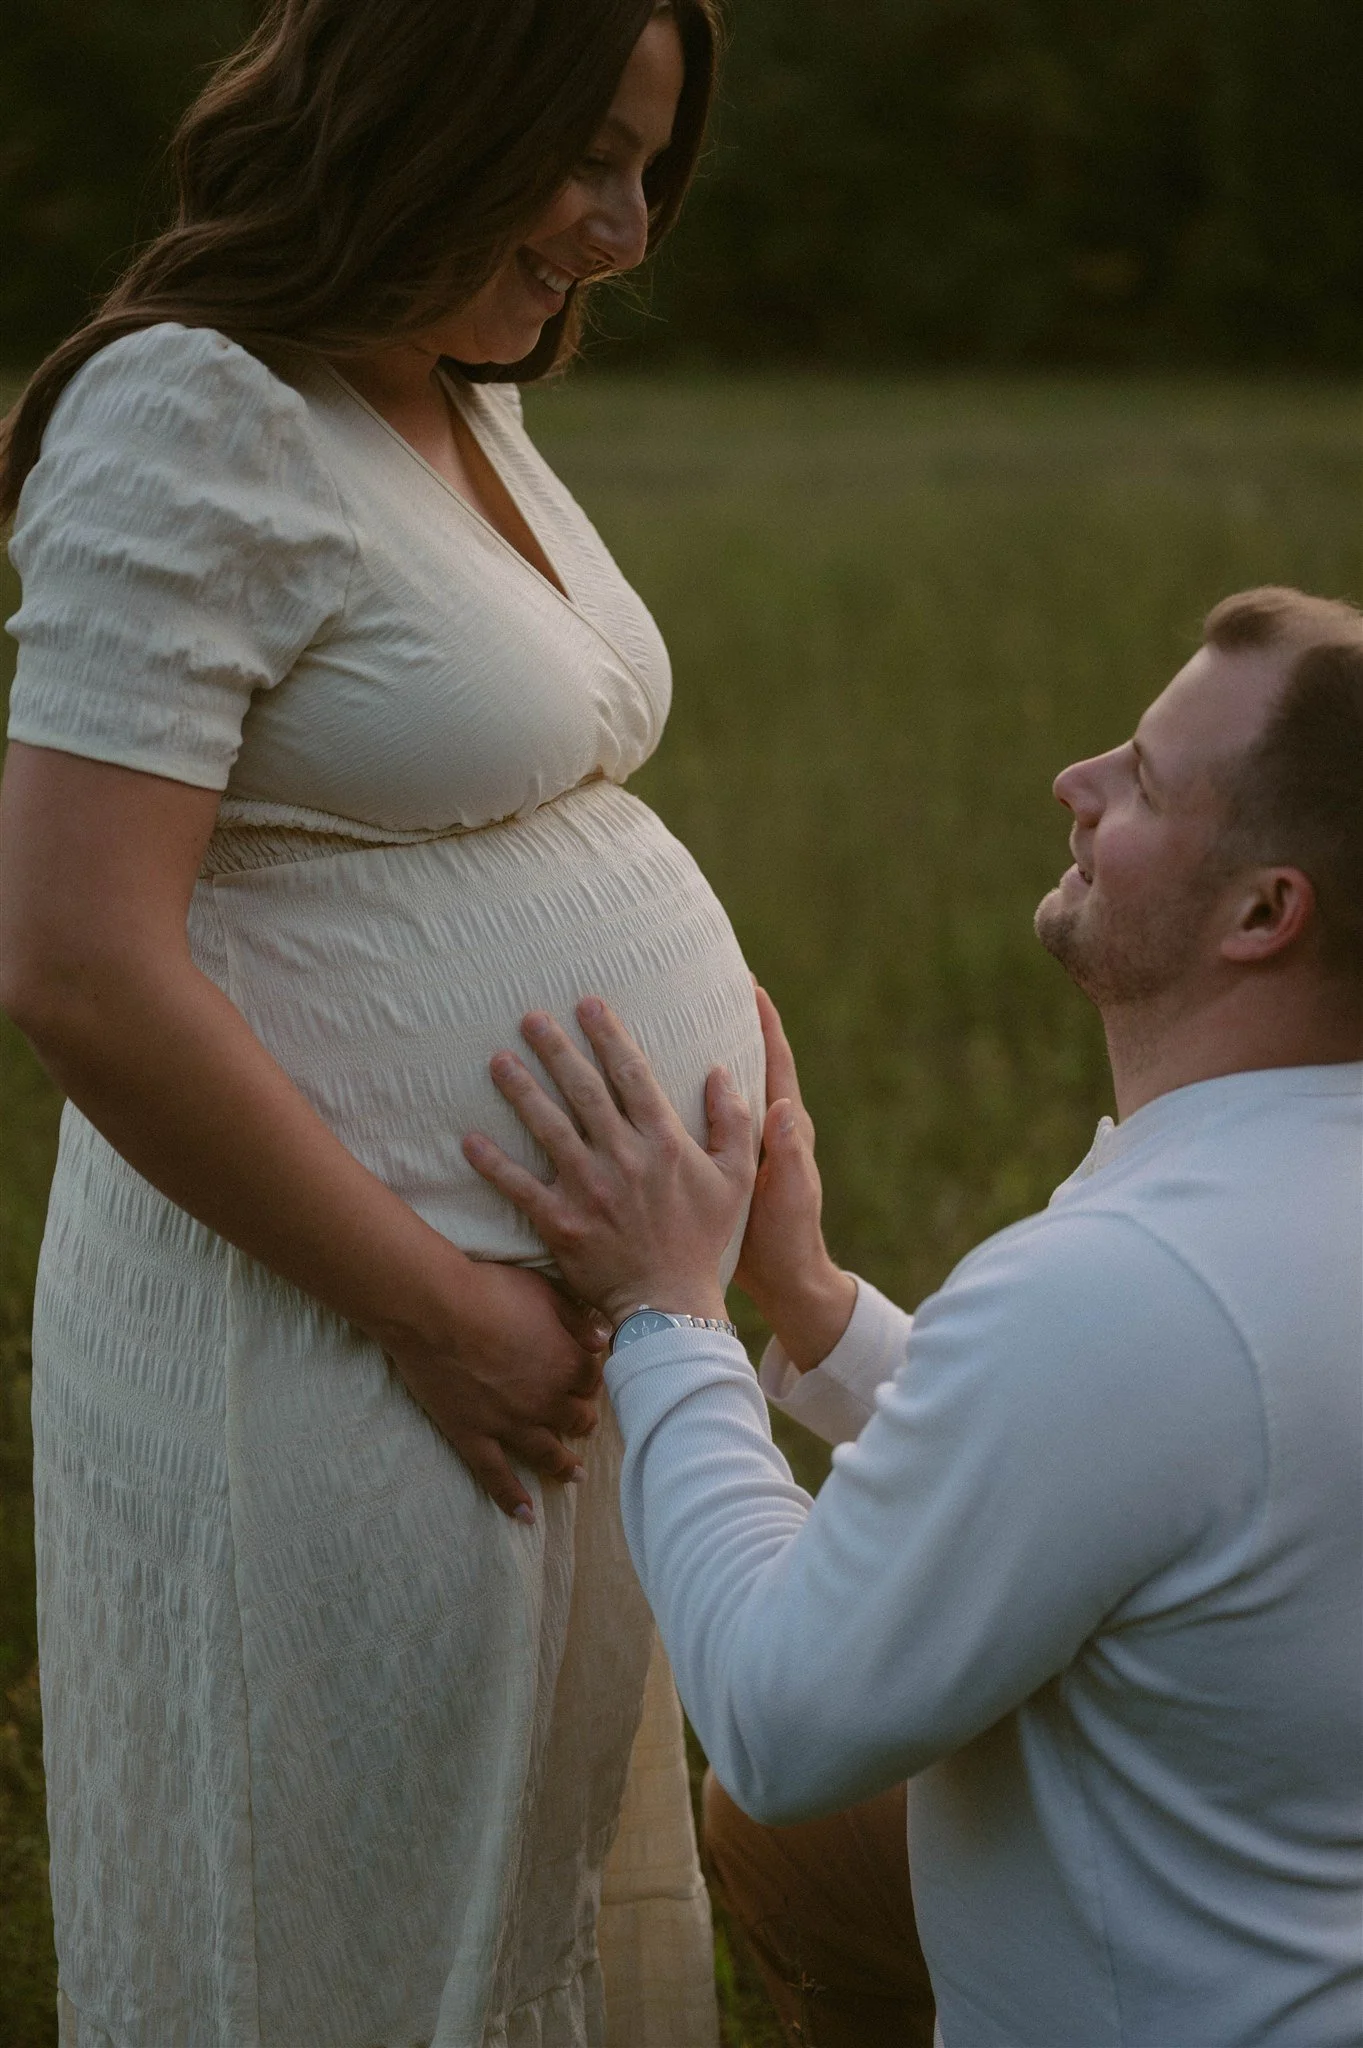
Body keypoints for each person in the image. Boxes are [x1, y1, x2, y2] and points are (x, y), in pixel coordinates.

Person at [0, 4, 763, 2043]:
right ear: (441, 104)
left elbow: (548, 802)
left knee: (526, 1905)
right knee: (336, 1920)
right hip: (339, 1342)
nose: (620, 225)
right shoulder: (193, 409)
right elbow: (76, 955)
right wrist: (437, 1301)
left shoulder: (454, 392)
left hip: (543, 1334)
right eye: (589, 155)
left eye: (647, 172)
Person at [465, 585, 1363, 2048]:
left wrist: (665, 1314)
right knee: (818, 1853)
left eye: (1135, 778)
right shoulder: (1259, 1232)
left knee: (784, 1809)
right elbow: (1169, 1458)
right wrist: (811, 1310)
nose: (1070, 785)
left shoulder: (1131, 1289)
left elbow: (781, 1717)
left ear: (1264, 912)